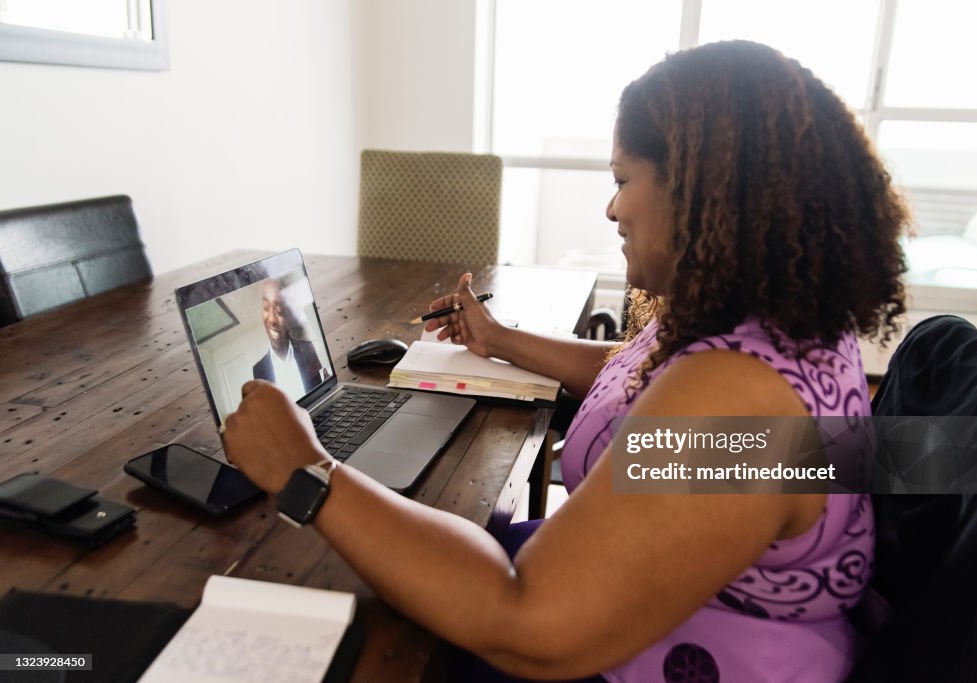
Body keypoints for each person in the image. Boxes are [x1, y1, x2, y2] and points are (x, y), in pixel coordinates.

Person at [224, 40, 907, 682]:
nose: (613, 209)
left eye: (623, 178)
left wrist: (306, 471)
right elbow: (637, 366)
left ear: (704, 193)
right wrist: (500, 339)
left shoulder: (738, 401)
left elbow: (525, 619)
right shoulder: (776, 323)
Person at [252, 277, 325, 396]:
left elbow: (320, 392)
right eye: (266, 308)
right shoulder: (258, 370)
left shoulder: (308, 349)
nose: (272, 319)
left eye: (279, 309)